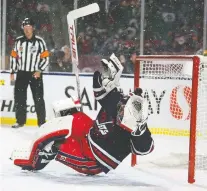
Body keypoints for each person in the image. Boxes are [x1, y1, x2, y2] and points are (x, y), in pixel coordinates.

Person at [11, 53, 154, 175]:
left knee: (55, 144)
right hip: (89, 133)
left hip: (91, 160)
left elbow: (145, 148)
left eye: (123, 111)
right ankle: (43, 149)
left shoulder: (136, 131)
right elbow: (100, 93)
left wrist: (139, 131)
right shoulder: (121, 103)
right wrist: (104, 78)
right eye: (122, 107)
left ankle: (34, 161)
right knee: (68, 112)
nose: (120, 108)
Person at [10, 18, 49, 128]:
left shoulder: (40, 42)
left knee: (38, 99)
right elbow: (13, 57)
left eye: (29, 27)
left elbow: (45, 58)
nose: (27, 30)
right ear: (23, 29)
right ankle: (20, 121)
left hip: (35, 74)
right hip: (21, 73)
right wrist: (12, 71)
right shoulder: (18, 41)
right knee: (20, 98)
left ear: (33, 28)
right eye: (25, 28)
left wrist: (39, 70)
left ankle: (41, 122)